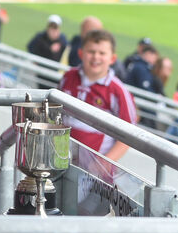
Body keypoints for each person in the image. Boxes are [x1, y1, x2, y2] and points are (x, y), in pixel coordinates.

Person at [57, 28, 135, 162]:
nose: (95, 57)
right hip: (61, 160)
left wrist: (105, 164)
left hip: (94, 170)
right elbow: (56, 112)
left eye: (102, 53)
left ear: (112, 58)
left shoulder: (117, 90)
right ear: (81, 53)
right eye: (91, 51)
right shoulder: (68, 77)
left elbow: (130, 134)